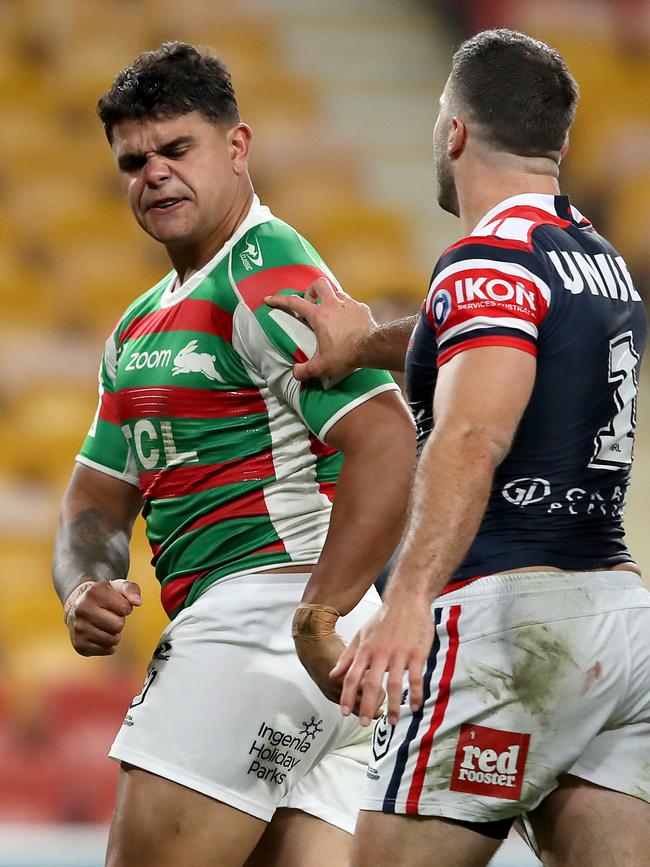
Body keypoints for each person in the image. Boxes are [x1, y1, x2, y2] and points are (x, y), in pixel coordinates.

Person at [269, 29, 650, 867]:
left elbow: (475, 431)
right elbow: (490, 339)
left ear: (453, 132)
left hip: (505, 625)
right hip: (619, 627)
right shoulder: (599, 259)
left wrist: (407, 600)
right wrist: (369, 343)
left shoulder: (483, 257)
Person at [51, 42, 416, 867]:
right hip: (320, 668)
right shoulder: (141, 322)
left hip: (260, 620)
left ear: (237, 147)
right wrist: (85, 580)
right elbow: (95, 500)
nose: (155, 173)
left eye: (177, 149)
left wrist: (317, 612)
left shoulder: (264, 268)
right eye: (134, 161)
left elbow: (388, 441)